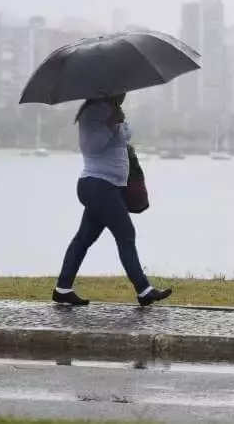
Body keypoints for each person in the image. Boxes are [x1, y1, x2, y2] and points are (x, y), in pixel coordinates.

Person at [53, 94, 172, 307]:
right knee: (126, 233)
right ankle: (144, 290)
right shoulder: (93, 112)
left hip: (105, 187)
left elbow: (125, 135)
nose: (125, 93)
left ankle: (63, 288)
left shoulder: (110, 108)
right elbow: (92, 147)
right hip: (97, 184)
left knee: (84, 238)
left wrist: (118, 120)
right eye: (121, 89)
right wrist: (111, 122)